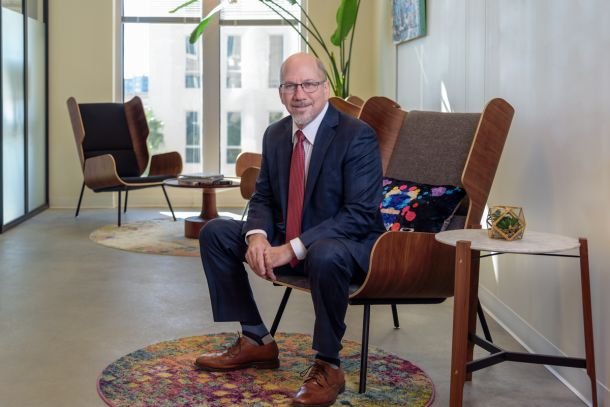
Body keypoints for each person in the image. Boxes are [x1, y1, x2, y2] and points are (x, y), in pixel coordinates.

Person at [195, 52, 385, 407]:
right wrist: (258, 236)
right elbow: (264, 196)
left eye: (309, 84)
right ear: (280, 92)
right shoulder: (276, 134)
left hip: (346, 247)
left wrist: (293, 247)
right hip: (292, 237)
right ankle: (256, 339)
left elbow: (359, 215)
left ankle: (329, 364)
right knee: (215, 233)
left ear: (325, 88)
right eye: (290, 86)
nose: (300, 94)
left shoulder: (356, 136)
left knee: (325, 252)